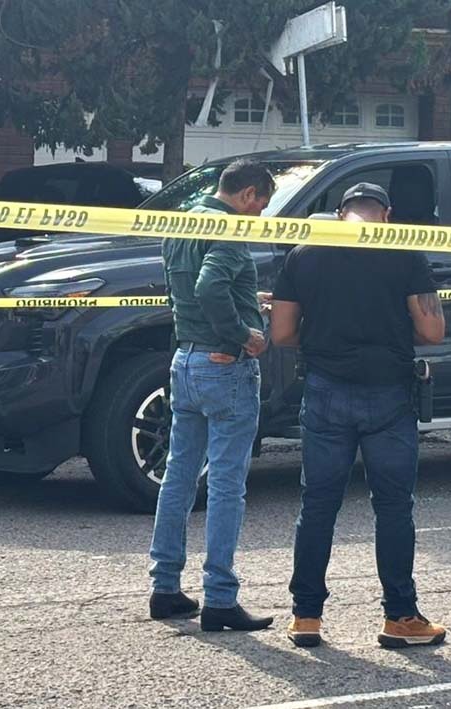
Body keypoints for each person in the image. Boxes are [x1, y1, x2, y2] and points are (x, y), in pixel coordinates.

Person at [270, 182, 447, 649]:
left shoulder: (304, 254)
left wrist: (323, 335)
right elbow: (432, 331)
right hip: (389, 393)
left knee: (317, 505)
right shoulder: (404, 254)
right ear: (386, 214)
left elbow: (282, 333)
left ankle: (306, 616)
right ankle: (400, 617)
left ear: (339, 213)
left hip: (325, 391)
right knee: (393, 507)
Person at [148, 159, 276, 632]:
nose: (259, 216)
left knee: (178, 477)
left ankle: (165, 588)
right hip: (225, 367)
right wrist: (243, 334)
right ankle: (220, 598)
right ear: (247, 195)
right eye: (260, 206)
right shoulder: (228, 229)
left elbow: (187, 289)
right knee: (226, 485)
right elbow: (209, 286)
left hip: (185, 360)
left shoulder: (182, 222)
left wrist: (245, 302)